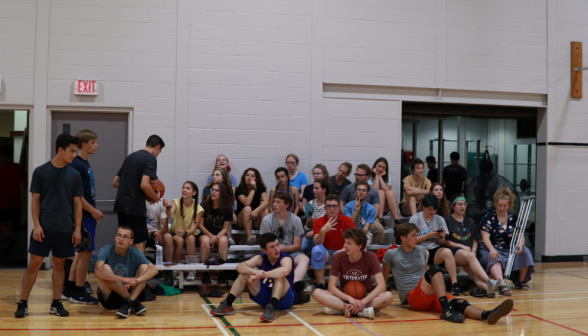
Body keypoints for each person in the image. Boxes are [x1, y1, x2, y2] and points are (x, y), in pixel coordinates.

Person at [382, 223, 514, 324]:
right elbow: (383, 279)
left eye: (417, 235)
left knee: (459, 302)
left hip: (428, 295)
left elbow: (424, 273)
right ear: (403, 238)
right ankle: (446, 310)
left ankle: (487, 314)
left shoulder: (422, 251)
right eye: (413, 236)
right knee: (436, 270)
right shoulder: (391, 254)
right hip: (410, 298)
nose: (417, 238)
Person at [14, 134, 83, 318]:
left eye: (75, 151)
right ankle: (23, 302)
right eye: (71, 151)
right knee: (34, 265)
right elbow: (35, 200)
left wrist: (77, 229)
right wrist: (36, 225)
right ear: (60, 150)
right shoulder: (41, 171)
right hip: (43, 228)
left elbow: (78, 204)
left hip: (65, 229)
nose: (74, 155)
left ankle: (56, 303)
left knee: (59, 266)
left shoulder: (75, 175)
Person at [210, 233, 298, 322]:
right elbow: (239, 267)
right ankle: (227, 304)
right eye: (272, 247)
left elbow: (285, 271)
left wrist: (263, 275)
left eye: (277, 245)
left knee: (279, 275)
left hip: (285, 299)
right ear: (265, 250)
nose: (277, 249)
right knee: (244, 273)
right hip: (266, 298)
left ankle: (272, 308)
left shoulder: (286, 258)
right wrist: (254, 271)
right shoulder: (260, 258)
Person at [62, 130, 105, 305]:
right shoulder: (77, 165)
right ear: (84, 144)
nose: (96, 145)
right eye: (93, 142)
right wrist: (93, 211)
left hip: (87, 214)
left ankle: (70, 289)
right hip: (83, 215)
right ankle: (79, 291)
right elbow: (77, 196)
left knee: (80, 254)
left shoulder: (85, 164)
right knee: (85, 254)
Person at [313, 228, 393, 319]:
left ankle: (345, 309)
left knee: (388, 296)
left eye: (349, 243)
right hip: (344, 297)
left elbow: (382, 286)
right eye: (345, 242)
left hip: (365, 297)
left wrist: (362, 302)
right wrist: (350, 299)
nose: (344, 246)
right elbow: (331, 287)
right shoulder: (338, 256)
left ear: (359, 246)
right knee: (316, 293)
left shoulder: (371, 257)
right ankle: (362, 311)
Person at [113, 135, 164, 254]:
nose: (157, 155)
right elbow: (145, 185)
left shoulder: (130, 157)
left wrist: (133, 189)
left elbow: (115, 182)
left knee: (125, 239)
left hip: (121, 204)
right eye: (159, 152)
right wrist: (155, 196)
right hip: (134, 206)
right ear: (158, 146)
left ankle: (126, 269)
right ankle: (139, 271)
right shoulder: (150, 158)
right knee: (139, 241)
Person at [479, 187, 534, 296]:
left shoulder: (513, 218)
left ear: (509, 205)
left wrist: (521, 243)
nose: (502, 208)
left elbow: (520, 234)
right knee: (494, 258)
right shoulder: (488, 217)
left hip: (509, 247)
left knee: (525, 251)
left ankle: (521, 281)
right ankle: (502, 285)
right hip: (491, 246)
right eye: (499, 206)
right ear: (495, 204)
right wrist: (492, 249)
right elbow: (485, 238)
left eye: (505, 206)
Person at [94, 226, 158, 318]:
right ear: (115, 237)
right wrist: (124, 279)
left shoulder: (135, 252)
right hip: (110, 298)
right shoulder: (106, 249)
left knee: (145, 267)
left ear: (131, 241)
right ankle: (133, 302)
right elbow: (97, 272)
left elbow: (154, 270)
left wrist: (137, 280)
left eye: (125, 237)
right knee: (104, 268)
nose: (121, 239)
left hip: (130, 290)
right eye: (119, 235)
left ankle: (129, 302)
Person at [444, 197, 500, 298]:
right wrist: (462, 246)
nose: (462, 206)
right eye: (459, 204)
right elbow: (446, 242)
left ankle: (488, 289)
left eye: (464, 204)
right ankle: (489, 281)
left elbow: (475, 240)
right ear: (453, 206)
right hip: (454, 252)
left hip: (469, 254)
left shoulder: (470, 221)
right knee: (469, 256)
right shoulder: (447, 220)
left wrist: (474, 250)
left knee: (475, 274)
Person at [409, 194, 465, 296]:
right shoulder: (415, 219)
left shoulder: (439, 219)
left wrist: (442, 237)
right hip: (418, 249)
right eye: (430, 209)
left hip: (434, 249)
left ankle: (454, 284)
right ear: (424, 207)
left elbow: (441, 243)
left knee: (447, 252)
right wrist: (428, 236)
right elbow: (412, 240)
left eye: (435, 209)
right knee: (425, 252)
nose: (432, 212)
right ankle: (425, 284)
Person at [260, 192, 310, 300]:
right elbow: (265, 244)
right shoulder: (267, 220)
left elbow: (297, 246)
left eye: (278, 202)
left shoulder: (296, 220)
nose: (274, 205)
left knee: (304, 259)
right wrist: (276, 250)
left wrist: (280, 248)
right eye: (274, 202)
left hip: (291, 252)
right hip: (273, 253)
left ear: (287, 205)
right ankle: (293, 295)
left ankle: (293, 289)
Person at [311, 194, 355, 289]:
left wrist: (342, 251)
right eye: (329, 206)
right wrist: (323, 231)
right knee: (316, 250)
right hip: (327, 253)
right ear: (325, 208)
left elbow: (353, 242)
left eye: (334, 206)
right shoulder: (318, 222)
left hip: (344, 252)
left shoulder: (347, 221)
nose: (332, 208)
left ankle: (344, 285)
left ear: (339, 208)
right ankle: (321, 284)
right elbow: (317, 244)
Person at [163, 181, 203, 280]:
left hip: (189, 234)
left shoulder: (198, 208)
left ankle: (191, 270)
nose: (184, 190)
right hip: (175, 233)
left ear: (194, 193)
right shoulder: (175, 202)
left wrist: (184, 232)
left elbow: (193, 229)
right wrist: (168, 207)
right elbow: (169, 215)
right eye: (183, 187)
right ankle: (176, 268)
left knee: (190, 239)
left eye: (187, 188)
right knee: (180, 240)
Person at [198, 182, 233, 285]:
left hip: (220, 234)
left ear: (222, 193)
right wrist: (211, 236)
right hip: (206, 233)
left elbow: (225, 228)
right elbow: (200, 225)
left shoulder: (227, 208)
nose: (213, 192)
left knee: (223, 241)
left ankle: (221, 272)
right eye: (212, 190)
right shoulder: (204, 205)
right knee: (205, 241)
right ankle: (205, 272)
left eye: (216, 190)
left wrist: (216, 237)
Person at [340, 164, 387, 236]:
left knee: (379, 229)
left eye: (360, 175)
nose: (357, 177)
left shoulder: (373, 191)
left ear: (367, 177)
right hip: (351, 214)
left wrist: (369, 220)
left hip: (368, 217)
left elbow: (376, 208)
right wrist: (347, 216)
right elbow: (341, 203)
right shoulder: (348, 188)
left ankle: (374, 246)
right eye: (356, 174)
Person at [0, 144, 26, 256]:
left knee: (2, 220)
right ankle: (9, 238)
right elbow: (21, 185)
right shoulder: (17, 168)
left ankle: (8, 238)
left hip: (2, 197)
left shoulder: (0, 168)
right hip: (14, 197)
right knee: (10, 219)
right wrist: (22, 198)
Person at [236, 168, 269, 245]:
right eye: (247, 175)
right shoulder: (239, 189)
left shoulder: (260, 188)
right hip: (242, 219)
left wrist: (256, 210)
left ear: (256, 179)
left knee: (265, 210)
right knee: (248, 208)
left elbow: (266, 202)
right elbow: (247, 202)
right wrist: (253, 188)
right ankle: (249, 237)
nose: (249, 177)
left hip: (255, 218)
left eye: (252, 176)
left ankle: (266, 238)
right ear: (244, 177)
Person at [146, 198, 172, 285]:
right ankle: (139, 272)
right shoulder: (140, 200)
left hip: (156, 234)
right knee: (136, 239)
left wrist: (159, 232)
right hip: (143, 234)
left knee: (168, 237)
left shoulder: (161, 203)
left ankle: (168, 272)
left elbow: (165, 226)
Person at [343, 181, 377, 247]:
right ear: (355, 192)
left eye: (364, 190)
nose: (361, 192)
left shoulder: (371, 209)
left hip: (364, 233)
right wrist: (356, 211)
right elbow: (348, 224)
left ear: (367, 194)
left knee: (361, 247)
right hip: (349, 231)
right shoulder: (347, 206)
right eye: (359, 190)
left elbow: (366, 228)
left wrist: (357, 238)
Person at [369, 157, 401, 224]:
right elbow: (374, 190)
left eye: (383, 168)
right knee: (380, 192)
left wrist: (380, 176)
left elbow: (387, 190)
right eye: (379, 166)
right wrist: (376, 175)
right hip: (373, 206)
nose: (381, 169)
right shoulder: (369, 177)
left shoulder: (388, 177)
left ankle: (397, 220)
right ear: (375, 166)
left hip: (385, 208)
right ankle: (380, 219)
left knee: (389, 192)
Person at [301, 179, 328, 255]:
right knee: (302, 247)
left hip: (324, 231)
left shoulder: (329, 204)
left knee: (314, 240)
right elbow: (308, 225)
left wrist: (314, 231)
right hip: (310, 230)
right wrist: (310, 220)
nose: (314, 190)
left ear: (324, 190)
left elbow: (329, 222)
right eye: (313, 188)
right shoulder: (309, 204)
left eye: (317, 188)